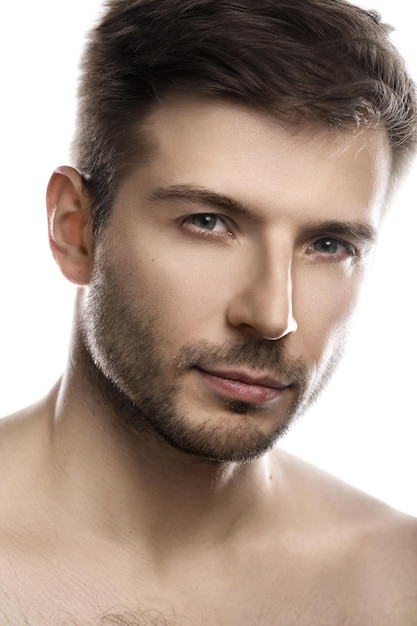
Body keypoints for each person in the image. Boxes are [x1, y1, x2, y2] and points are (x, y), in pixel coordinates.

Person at [0, 0, 416, 623]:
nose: (273, 316)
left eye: (328, 245)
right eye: (208, 222)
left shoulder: (395, 585)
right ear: (76, 229)